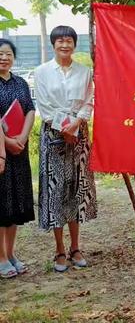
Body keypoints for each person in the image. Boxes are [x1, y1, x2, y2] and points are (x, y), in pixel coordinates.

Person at [34, 26, 97, 272]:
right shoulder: (41, 72)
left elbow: (89, 99)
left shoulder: (84, 72)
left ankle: (76, 247)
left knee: (76, 191)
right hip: (53, 136)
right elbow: (44, 105)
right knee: (55, 191)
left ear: (74, 44)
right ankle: (59, 249)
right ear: (53, 45)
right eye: (60, 40)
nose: (65, 44)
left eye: (69, 40)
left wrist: (77, 124)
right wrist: (64, 128)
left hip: (79, 134)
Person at [0, 39, 35, 279]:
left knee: (15, 205)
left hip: (19, 151)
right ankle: (0, 258)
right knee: (1, 206)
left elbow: (30, 110)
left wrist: (22, 137)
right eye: (0, 54)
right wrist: (7, 142)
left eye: (8, 54)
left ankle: (11, 253)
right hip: (1, 152)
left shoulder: (21, 83)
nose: (4, 58)